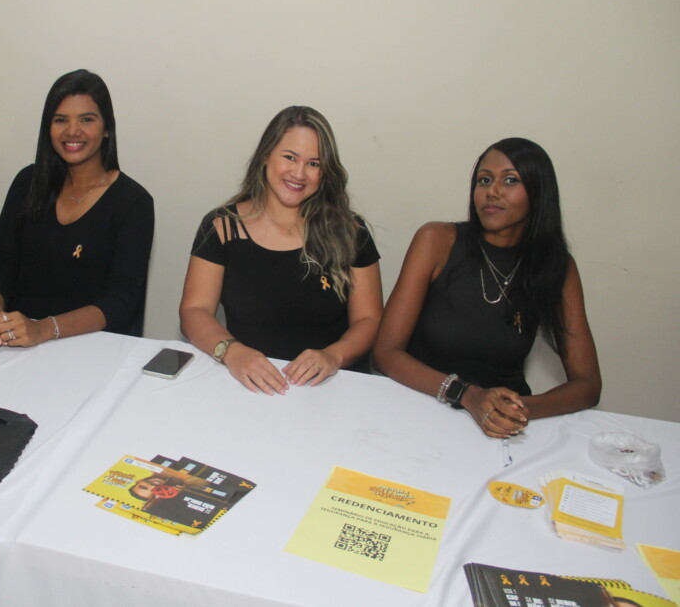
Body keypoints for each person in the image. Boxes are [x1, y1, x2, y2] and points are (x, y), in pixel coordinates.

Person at [373, 137, 601, 438]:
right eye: (484, 180)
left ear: (538, 192)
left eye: (510, 180)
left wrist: (513, 410)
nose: (492, 191)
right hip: (423, 406)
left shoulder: (557, 266)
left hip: (503, 427)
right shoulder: (436, 240)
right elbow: (385, 353)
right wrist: (468, 395)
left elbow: (587, 385)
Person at [179, 106, 383, 396]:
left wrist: (333, 356)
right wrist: (232, 351)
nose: (299, 173)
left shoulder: (351, 231)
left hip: (330, 389)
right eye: (289, 157)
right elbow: (194, 311)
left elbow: (370, 320)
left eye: (314, 163)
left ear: (325, 172)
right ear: (265, 155)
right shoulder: (222, 227)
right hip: (248, 388)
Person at [0, 69, 154, 346]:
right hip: (15, 342)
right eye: (60, 120)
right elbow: (0, 263)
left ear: (107, 128)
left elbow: (123, 299)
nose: (72, 131)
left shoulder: (133, 202)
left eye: (86, 119)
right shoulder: (27, 182)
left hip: (91, 348)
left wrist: (44, 329)